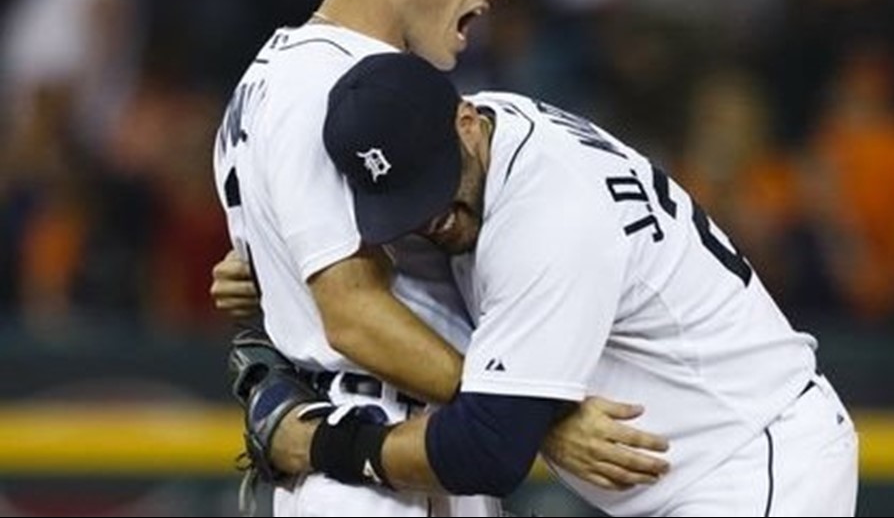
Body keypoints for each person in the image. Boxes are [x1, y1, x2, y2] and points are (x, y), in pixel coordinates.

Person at [219, 52, 860, 516]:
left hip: (756, 464)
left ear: (466, 125)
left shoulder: (548, 211)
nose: (430, 220)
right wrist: (278, 279)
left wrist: (319, 443)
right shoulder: (494, 128)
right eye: (408, 205)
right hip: (718, 467)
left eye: (434, 189)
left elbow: (486, 452)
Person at [211, 0, 666, 516]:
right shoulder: (329, 87)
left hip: (411, 443)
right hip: (369, 456)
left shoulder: (277, 76)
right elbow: (352, 313)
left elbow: (287, 277)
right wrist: (534, 414)